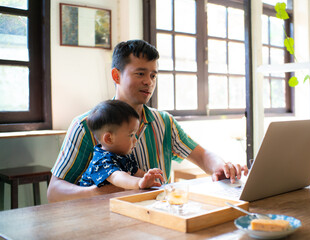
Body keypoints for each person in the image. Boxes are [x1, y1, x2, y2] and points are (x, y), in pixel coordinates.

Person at [47, 39, 248, 203]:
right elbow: (54, 192)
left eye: (153, 75)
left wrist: (221, 167)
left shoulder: (164, 122)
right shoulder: (86, 125)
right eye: (140, 73)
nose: (149, 82)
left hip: (160, 221)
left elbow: (202, 156)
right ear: (116, 76)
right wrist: (98, 193)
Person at [79, 100, 164, 189]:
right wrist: (140, 182)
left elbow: (136, 172)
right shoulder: (101, 161)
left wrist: (148, 177)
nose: (135, 139)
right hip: (92, 202)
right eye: (131, 135)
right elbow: (118, 177)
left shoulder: (123, 155)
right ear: (109, 139)